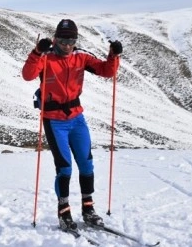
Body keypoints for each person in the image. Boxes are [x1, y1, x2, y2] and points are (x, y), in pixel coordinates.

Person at [22, 19, 122, 231]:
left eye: (71, 40)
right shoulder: (46, 58)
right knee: (65, 168)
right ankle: (64, 212)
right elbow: (28, 75)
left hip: (76, 118)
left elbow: (106, 71)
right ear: (55, 39)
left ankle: (88, 210)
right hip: (53, 119)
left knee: (86, 165)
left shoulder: (81, 57)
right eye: (63, 40)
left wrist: (113, 57)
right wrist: (36, 53)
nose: (67, 45)